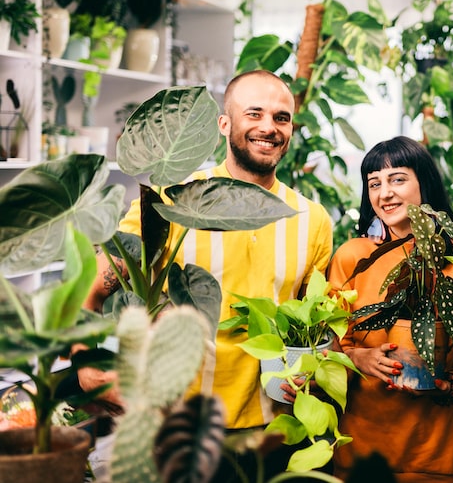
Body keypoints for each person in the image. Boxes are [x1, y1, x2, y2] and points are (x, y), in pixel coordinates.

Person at [76, 70, 333, 472]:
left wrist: (315, 366)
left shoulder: (312, 219)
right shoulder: (169, 203)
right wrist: (86, 363)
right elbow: (89, 291)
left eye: (281, 117)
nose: (269, 127)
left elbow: (314, 322)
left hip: (275, 424)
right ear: (224, 124)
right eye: (254, 113)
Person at [327, 136, 453, 483]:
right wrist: (358, 358)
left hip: (439, 454)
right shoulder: (352, 258)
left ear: (425, 183)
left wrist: (452, 385)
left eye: (398, 179)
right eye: (374, 183)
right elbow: (329, 347)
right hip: (361, 453)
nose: (385, 193)